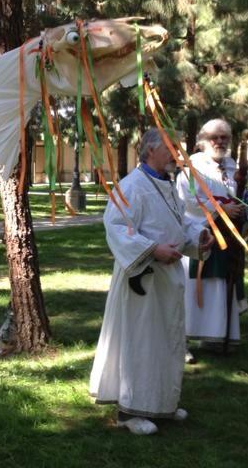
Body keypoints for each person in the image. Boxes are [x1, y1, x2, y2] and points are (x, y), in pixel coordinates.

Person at [89, 129, 212, 435]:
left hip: (167, 278)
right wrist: (153, 249)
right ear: (151, 150)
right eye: (172, 148)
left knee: (165, 341)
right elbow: (115, 226)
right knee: (141, 341)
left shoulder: (165, 185)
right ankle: (130, 411)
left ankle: (162, 403)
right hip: (142, 277)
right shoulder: (132, 185)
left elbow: (178, 223)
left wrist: (198, 237)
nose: (178, 154)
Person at [176, 119, 248, 353]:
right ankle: (186, 340)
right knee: (199, 288)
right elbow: (188, 200)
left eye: (224, 137)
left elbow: (245, 194)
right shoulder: (192, 168)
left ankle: (217, 336)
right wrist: (221, 210)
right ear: (203, 141)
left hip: (229, 238)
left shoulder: (234, 168)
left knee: (222, 285)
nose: (220, 142)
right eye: (214, 137)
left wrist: (244, 209)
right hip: (203, 234)